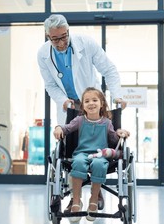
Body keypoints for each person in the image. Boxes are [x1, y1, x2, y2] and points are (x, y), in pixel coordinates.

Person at [37, 14, 127, 212]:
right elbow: (50, 85)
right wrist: (63, 101)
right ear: (47, 36)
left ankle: (98, 192)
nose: (61, 42)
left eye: (64, 36)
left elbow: (109, 70)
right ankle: (73, 198)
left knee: (97, 144)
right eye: (55, 39)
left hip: (91, 101)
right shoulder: (43, 54)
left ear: (68, 30)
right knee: (70, 151)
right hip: (67, 106)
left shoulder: (85, 43)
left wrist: (118, 96)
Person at [53, 87, 130, 222]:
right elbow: (67, 128)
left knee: (99, 164)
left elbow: (114, 140)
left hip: (100, 154)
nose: (91, 103)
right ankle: (76, 200)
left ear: (101, 104)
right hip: (81, 153)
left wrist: (120, 133)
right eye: (87, 101)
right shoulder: (80, 120)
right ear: (83, 105)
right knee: (77, 163)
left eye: (95, 100)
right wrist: (58, 127)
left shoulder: (107, 122)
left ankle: (93, 199)